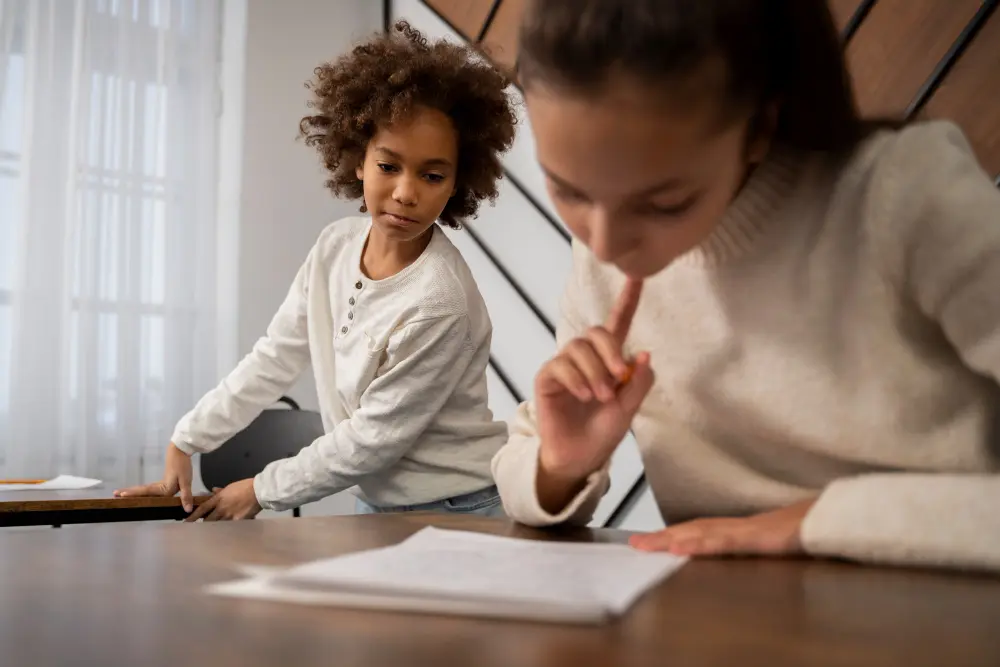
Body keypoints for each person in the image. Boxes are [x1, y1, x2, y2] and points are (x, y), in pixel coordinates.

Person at [492, 0, 1000, 572]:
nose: (606, 246)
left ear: (758, 127)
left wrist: (819, 522)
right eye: (569, 192)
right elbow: (520, 462)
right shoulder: (602, 265)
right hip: (733, 623)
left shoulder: (904, 195)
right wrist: (560, 466)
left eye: (664, 203)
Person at [116, 21, 517, 520]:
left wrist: (260, 490)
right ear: (357, 161)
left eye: (432, 175)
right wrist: (187, 437)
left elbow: (371, 440)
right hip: (378, 503)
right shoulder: (335, 246)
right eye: (388, 166)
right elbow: (275, 358)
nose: (406, 192)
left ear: (457, 183)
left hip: (460, 509)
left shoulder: (440, 302)